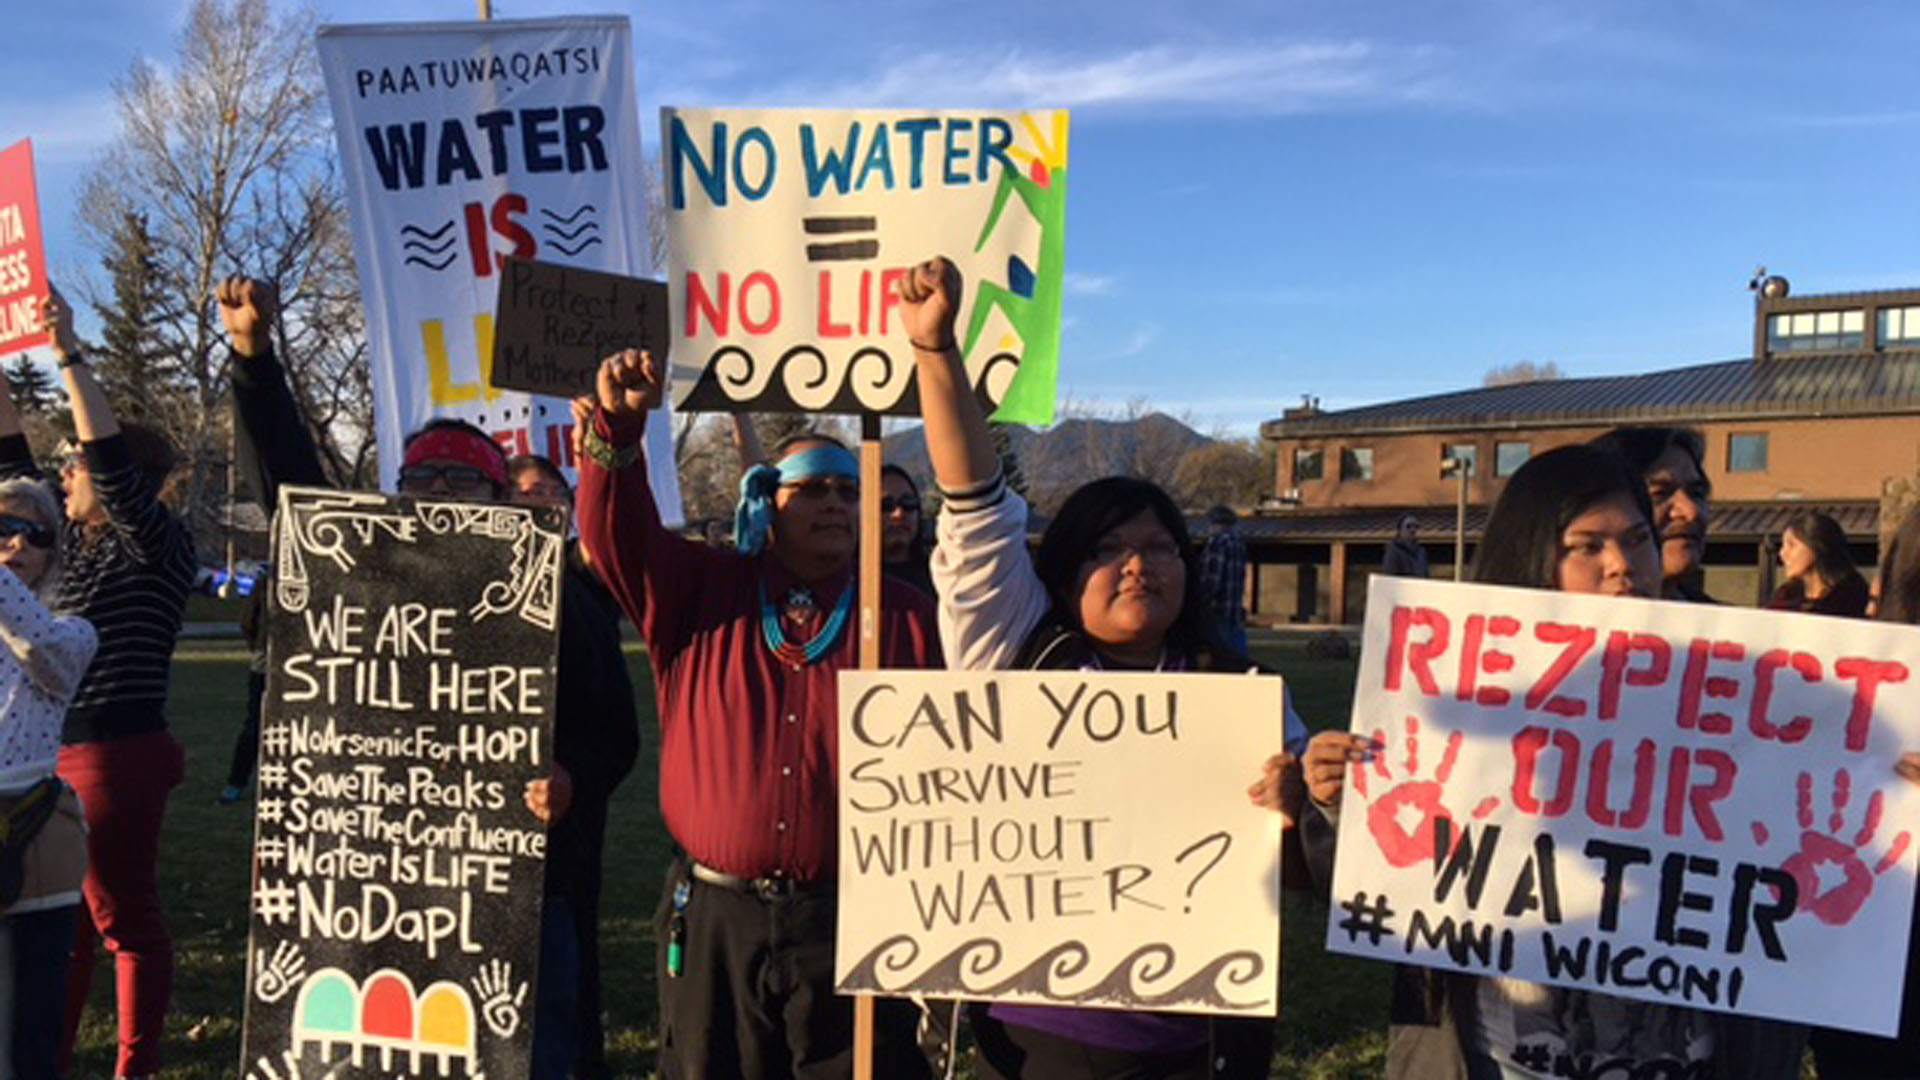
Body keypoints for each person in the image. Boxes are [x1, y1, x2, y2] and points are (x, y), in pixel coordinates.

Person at [900, 255, 1319, 1079]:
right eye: (1109, 549)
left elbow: (1305, 874)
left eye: (1160, 546)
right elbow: (975, 506)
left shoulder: (1242, 696)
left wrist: (1297, 810)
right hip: (1028, 1041)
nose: (1138, 566)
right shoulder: (1014, 649)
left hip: (1195, 1043)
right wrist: (935, 353)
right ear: (1061, 573)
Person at [218, 279, 636, 1080]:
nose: (440, 496)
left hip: (518, 891)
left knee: (535, 1057)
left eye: (462, 482)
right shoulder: (367, 576)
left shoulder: (552, 597)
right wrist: (253, 358)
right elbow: (293, 493)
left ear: (498, 497)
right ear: (397, 492)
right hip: (384, 883)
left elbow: (614, 730)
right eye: (422, 481)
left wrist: (571, 778)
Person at [1302, 443, 1804, 1080]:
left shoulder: (1750, 686)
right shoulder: (1457, 690)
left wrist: (1889, 791)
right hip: (1502, 1058)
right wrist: (1336, 799)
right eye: (1587, 546)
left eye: (1637, 540)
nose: (1623, 566)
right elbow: (1383, 890)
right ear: (1535, 555)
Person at [575, 348, 939, 1079]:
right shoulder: (699, 589)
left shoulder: (907, 616)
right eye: (812, 491)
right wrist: (616, 431)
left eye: (848, 490)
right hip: (716, 917)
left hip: (853, 916)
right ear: (766, 504)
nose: (835, 504)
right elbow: (618, 540)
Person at [0, 288, 198, 1080]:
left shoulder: (152, 542)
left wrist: (69, 352)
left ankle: (134, 1066)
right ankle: (48, 1053)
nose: (64, 471)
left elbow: (109, 465)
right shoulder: (64, 548)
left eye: (74, 463)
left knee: (123, 916)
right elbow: (10, 462)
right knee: (68, 919)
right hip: (61, 751)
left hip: (117, 746)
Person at [504, 451, 639, 1080]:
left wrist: (573, 779)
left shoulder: (583, 597)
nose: (536, 502)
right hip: (439, 856)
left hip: (558, 859)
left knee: (559, 1011)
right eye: (521, 491)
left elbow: (617, 732)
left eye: (550, 492)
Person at [0, 475, 97, 1079]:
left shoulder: (73, 629)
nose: (14, 544)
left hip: (31, 838)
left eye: (32, 533)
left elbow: (41, 651)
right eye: (1, 528)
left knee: (21, 1035)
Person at [1590, 426, 1713, 601]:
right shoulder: (1549, 618)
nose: (1691, 511)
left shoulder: (1736, 626)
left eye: (1697, 493)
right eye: (1660, 494)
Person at [1768, 509, 1869, 617]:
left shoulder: (1852, 599)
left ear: (1817, 546)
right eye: (1783, 546)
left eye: (1792, 545)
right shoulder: (1785, 597)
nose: (1782, 554)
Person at [1198, 504, 1249, 653]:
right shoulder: (1239, 544)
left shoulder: (1217, 542)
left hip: (1217, 609)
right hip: (1234, 607)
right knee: (1236, 651)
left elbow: (1212, 579)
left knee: (1218, 653)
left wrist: (1200, 600)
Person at [881, 463, 934, 596]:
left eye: (908, 503)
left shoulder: (941, 575)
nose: (898, 513)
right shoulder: (849, 582)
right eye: (886, 505)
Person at [1381, 514, 1431, 578]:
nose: (1413, 530)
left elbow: (1426, 575)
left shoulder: (1421, 552)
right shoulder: (1393, 550)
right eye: (1408, 526)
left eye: (1416, 526)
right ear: (1400, 530)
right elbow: (1390, 576)